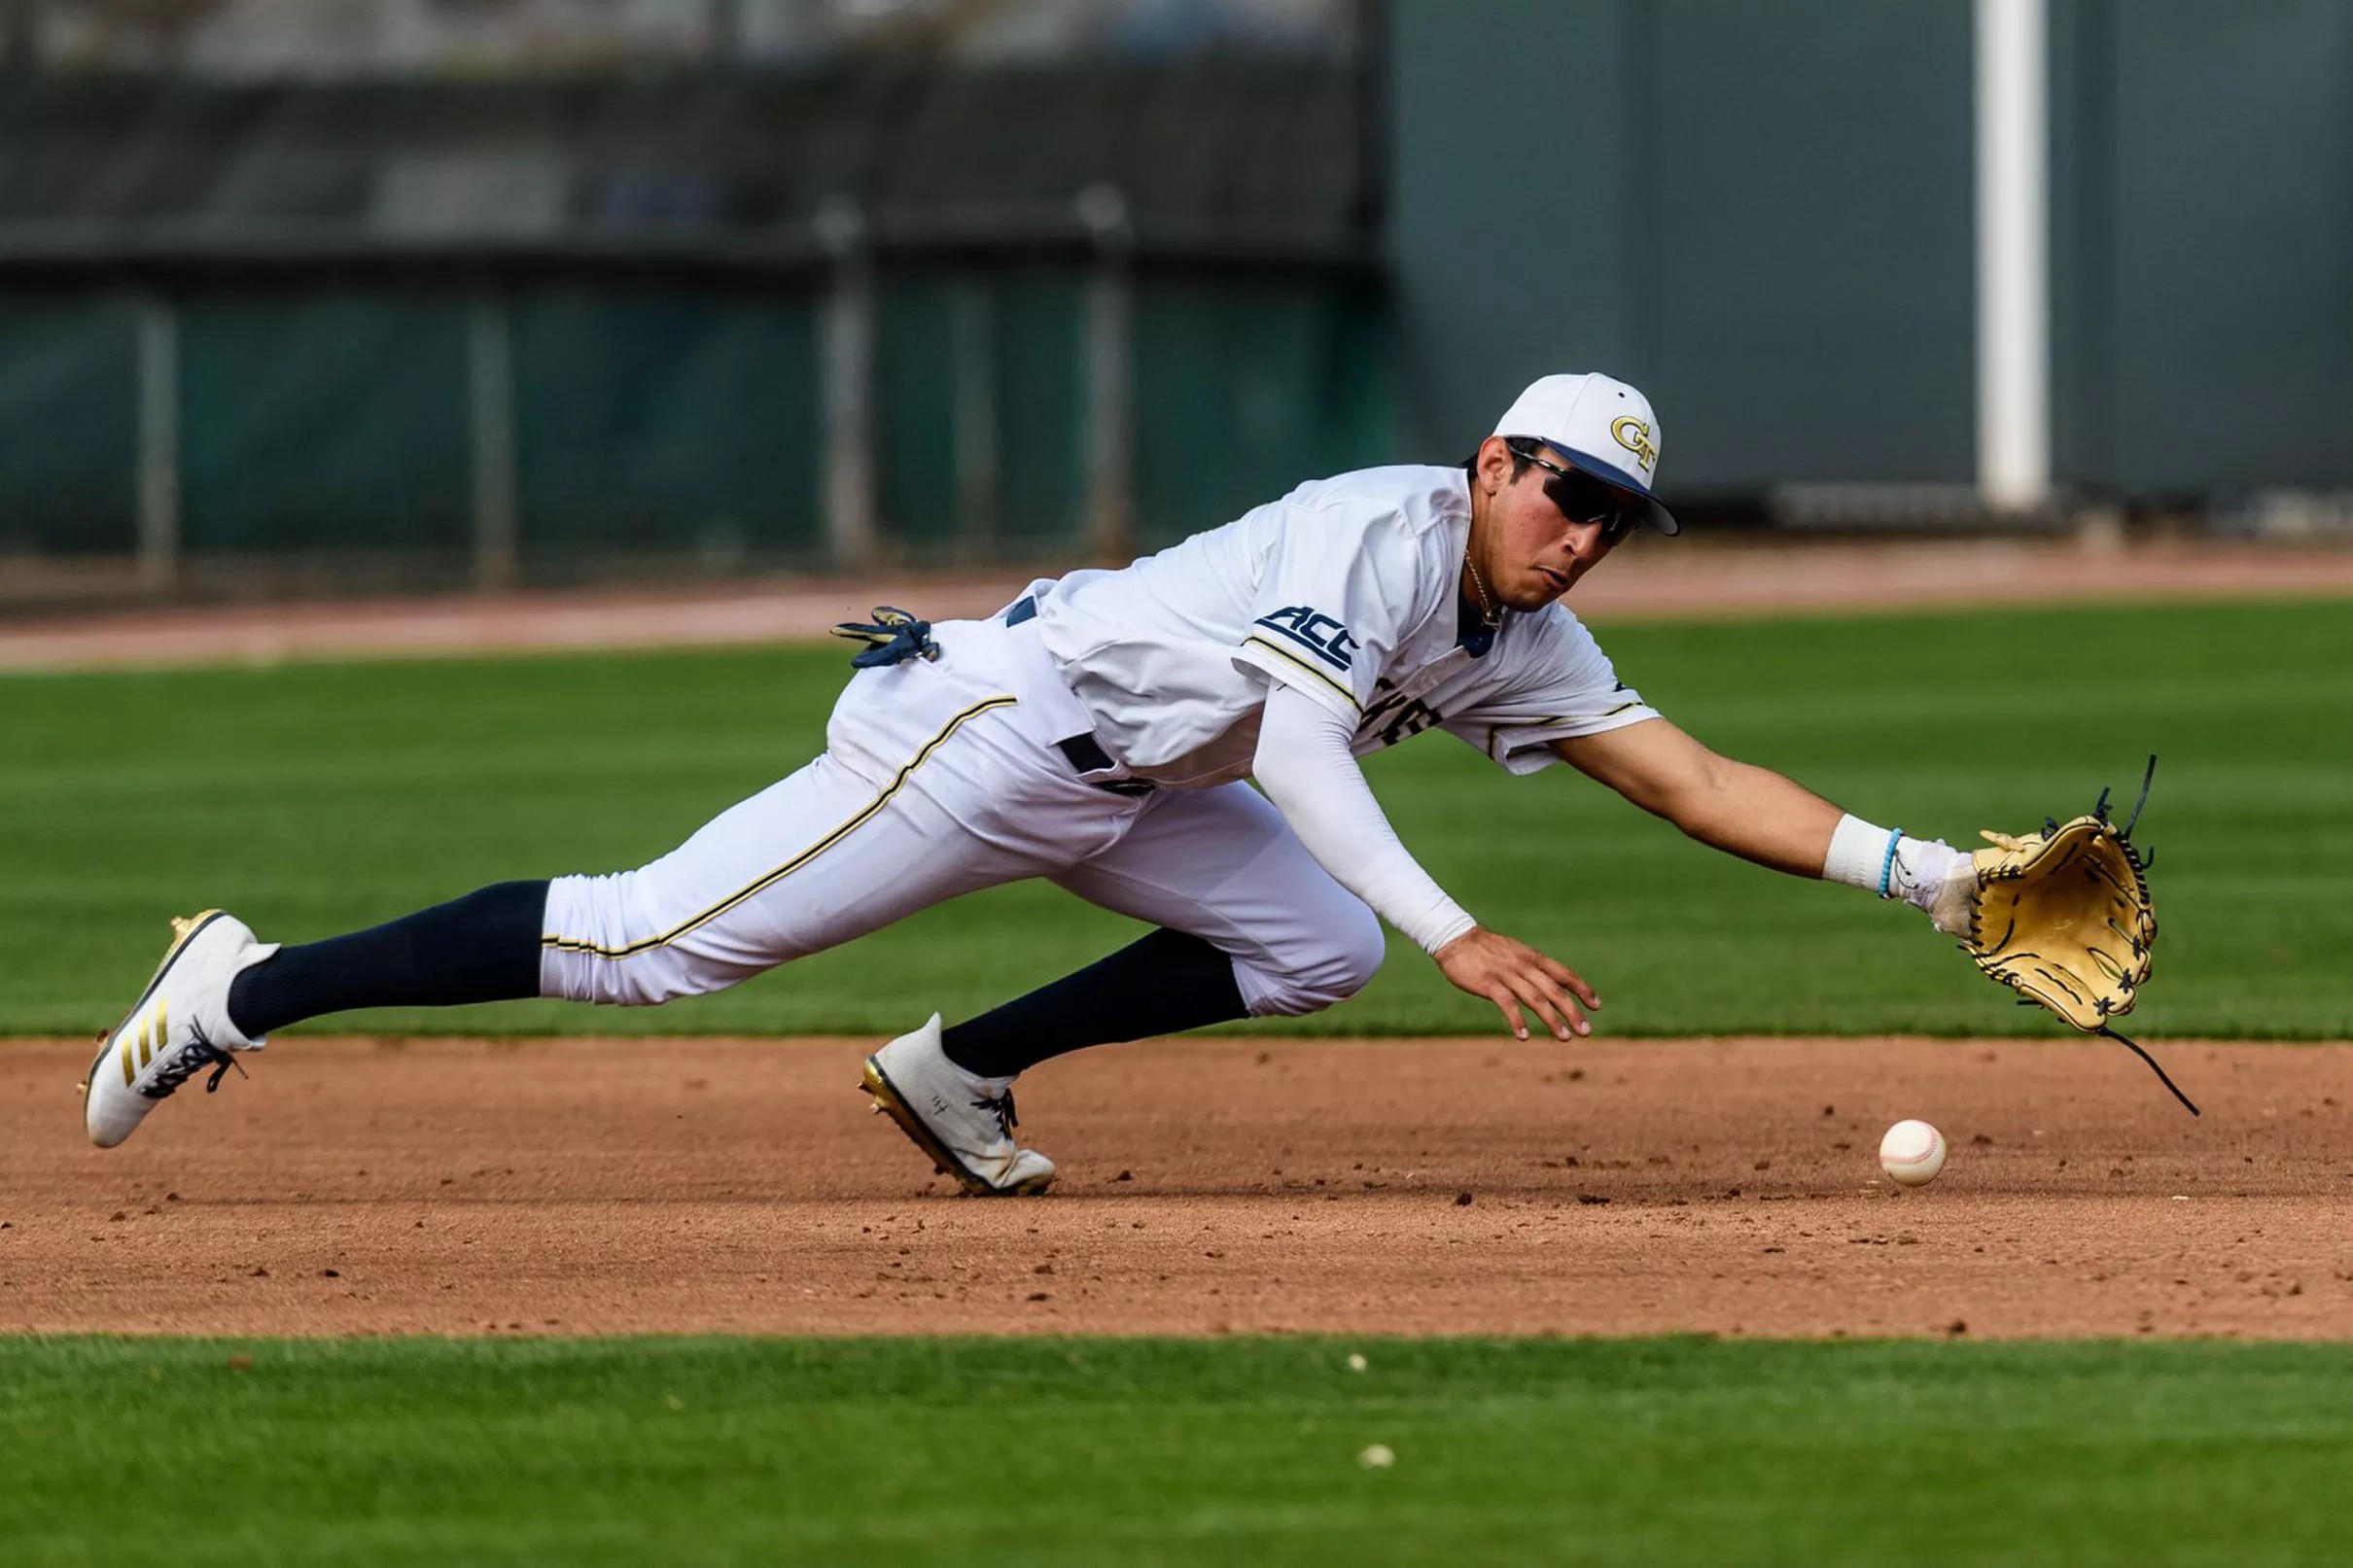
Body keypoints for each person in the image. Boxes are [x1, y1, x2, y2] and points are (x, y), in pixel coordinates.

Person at [84, 372, 1974, 1193]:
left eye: (1615, 520)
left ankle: (957, 1070)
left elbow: (1696, 777)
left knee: (1311, 947)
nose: (1580, 534)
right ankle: (238, 986)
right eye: (1562, 489)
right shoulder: (1376, 538)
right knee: (647, 945)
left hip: (1136, 786)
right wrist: (1460, 927)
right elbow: (1305, 739)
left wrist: (1930, 881)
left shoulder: (1521, 639)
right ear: (1491, 464)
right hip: (980, 738)